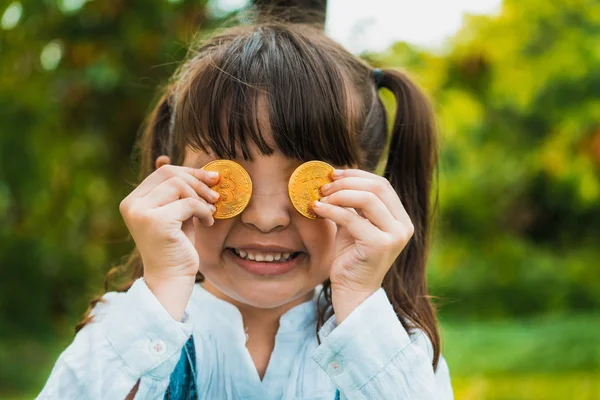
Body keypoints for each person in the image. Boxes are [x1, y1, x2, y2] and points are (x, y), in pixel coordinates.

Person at [37, 19, 453, 400]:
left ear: (368, 196)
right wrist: (161, 289)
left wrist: (360, 303)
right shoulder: (123, 330)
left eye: (308, 180)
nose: (265, 218)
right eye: (227, 175)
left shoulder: (394, 348)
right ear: (171, 186)